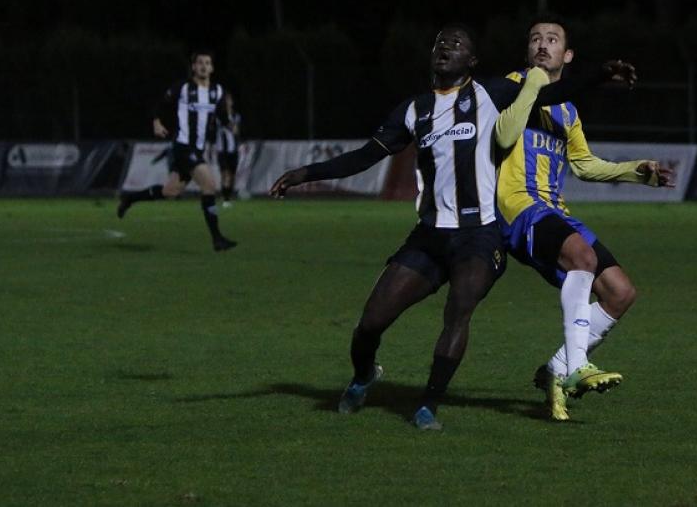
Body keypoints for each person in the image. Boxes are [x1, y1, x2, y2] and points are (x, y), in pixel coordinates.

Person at [269, 23, 635, 431]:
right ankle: (363, 374)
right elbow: (364, 156)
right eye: (440, 43)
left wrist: (600, 76)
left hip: (480, 235)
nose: (446, 48)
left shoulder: (491, 94)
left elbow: (551, 93)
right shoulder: (414, 110)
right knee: (370, 323)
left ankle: (428, 405)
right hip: (429, 236)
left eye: (457, 44)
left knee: (459, 311)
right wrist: (305, 173)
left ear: (472, 61)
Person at [496, 16, 674, 422]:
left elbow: (584, 165)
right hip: (518, 207)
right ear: (527, 51)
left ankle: (555, 370)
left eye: (553, 39)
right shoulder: (512, 86)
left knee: (620, 293)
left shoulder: (568, 111)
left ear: (568, 54)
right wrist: (536, 83)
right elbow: (504, 137)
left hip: (555, 211)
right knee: (582, 257)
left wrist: (635, 172)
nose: (543, 44)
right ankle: (577, 367)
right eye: (536, 38)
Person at [117, 50, 237, 252]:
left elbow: (223, 117)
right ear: (193, 67)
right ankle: (217, 239)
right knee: (209, 185)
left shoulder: (217, 91)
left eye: (207, 63)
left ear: (212, 68)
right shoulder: (182, 88)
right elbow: (160, 104)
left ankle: (130, 198)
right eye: (200, 62)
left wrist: (230, 125)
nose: (203, 66)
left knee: (170, 192)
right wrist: (156, 122)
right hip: (182, 146)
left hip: (197, 149)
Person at [215, 91, 242, 207]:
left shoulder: (236, 115)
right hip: (222, 150)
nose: (228, 102)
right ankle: (225, 198)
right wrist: (232, 127)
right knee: (225, 174)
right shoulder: (220, 115)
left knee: (232, 175)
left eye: (230, 99)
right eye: (226, 99)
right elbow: (228, 126)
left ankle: (228, 196)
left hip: (233, 150)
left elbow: (238, 131)